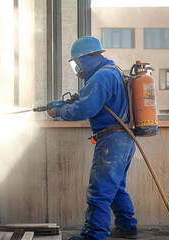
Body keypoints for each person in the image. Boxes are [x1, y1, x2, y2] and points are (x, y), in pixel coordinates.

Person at [47, 36, 138, 240]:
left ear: (85, 58)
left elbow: (86, 108)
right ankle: (127, 227)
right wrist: (67, 104)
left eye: (77, 63)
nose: (78, 69)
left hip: (112, 141)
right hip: (124, 139)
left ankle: (94, 235)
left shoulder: (102, 76)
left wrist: (61, 113)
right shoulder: (112, 73)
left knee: (100, 190)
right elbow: (91, 100)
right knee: (115, 188)